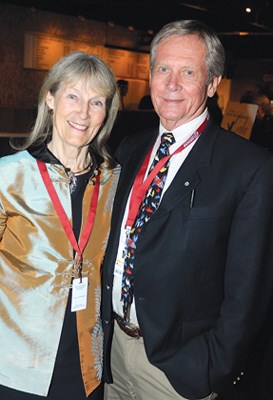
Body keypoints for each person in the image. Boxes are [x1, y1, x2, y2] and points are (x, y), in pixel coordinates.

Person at [101, 20, 273, 400]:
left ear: (212, 84)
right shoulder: (130, 148)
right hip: (111, 354)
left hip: (177, 371)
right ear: (150, 76)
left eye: (188, 72)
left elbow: (249, 291)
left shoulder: (249, 168)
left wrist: (210, 366)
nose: (172, 83)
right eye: (163, 69)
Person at [0, 50, 120, 400]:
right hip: (17, 364)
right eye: (73, 96)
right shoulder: (9, 175)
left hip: (87, 365)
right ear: (50, 98)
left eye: (96, 102)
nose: (83, 112)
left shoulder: (115, 181)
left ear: (106, 113)